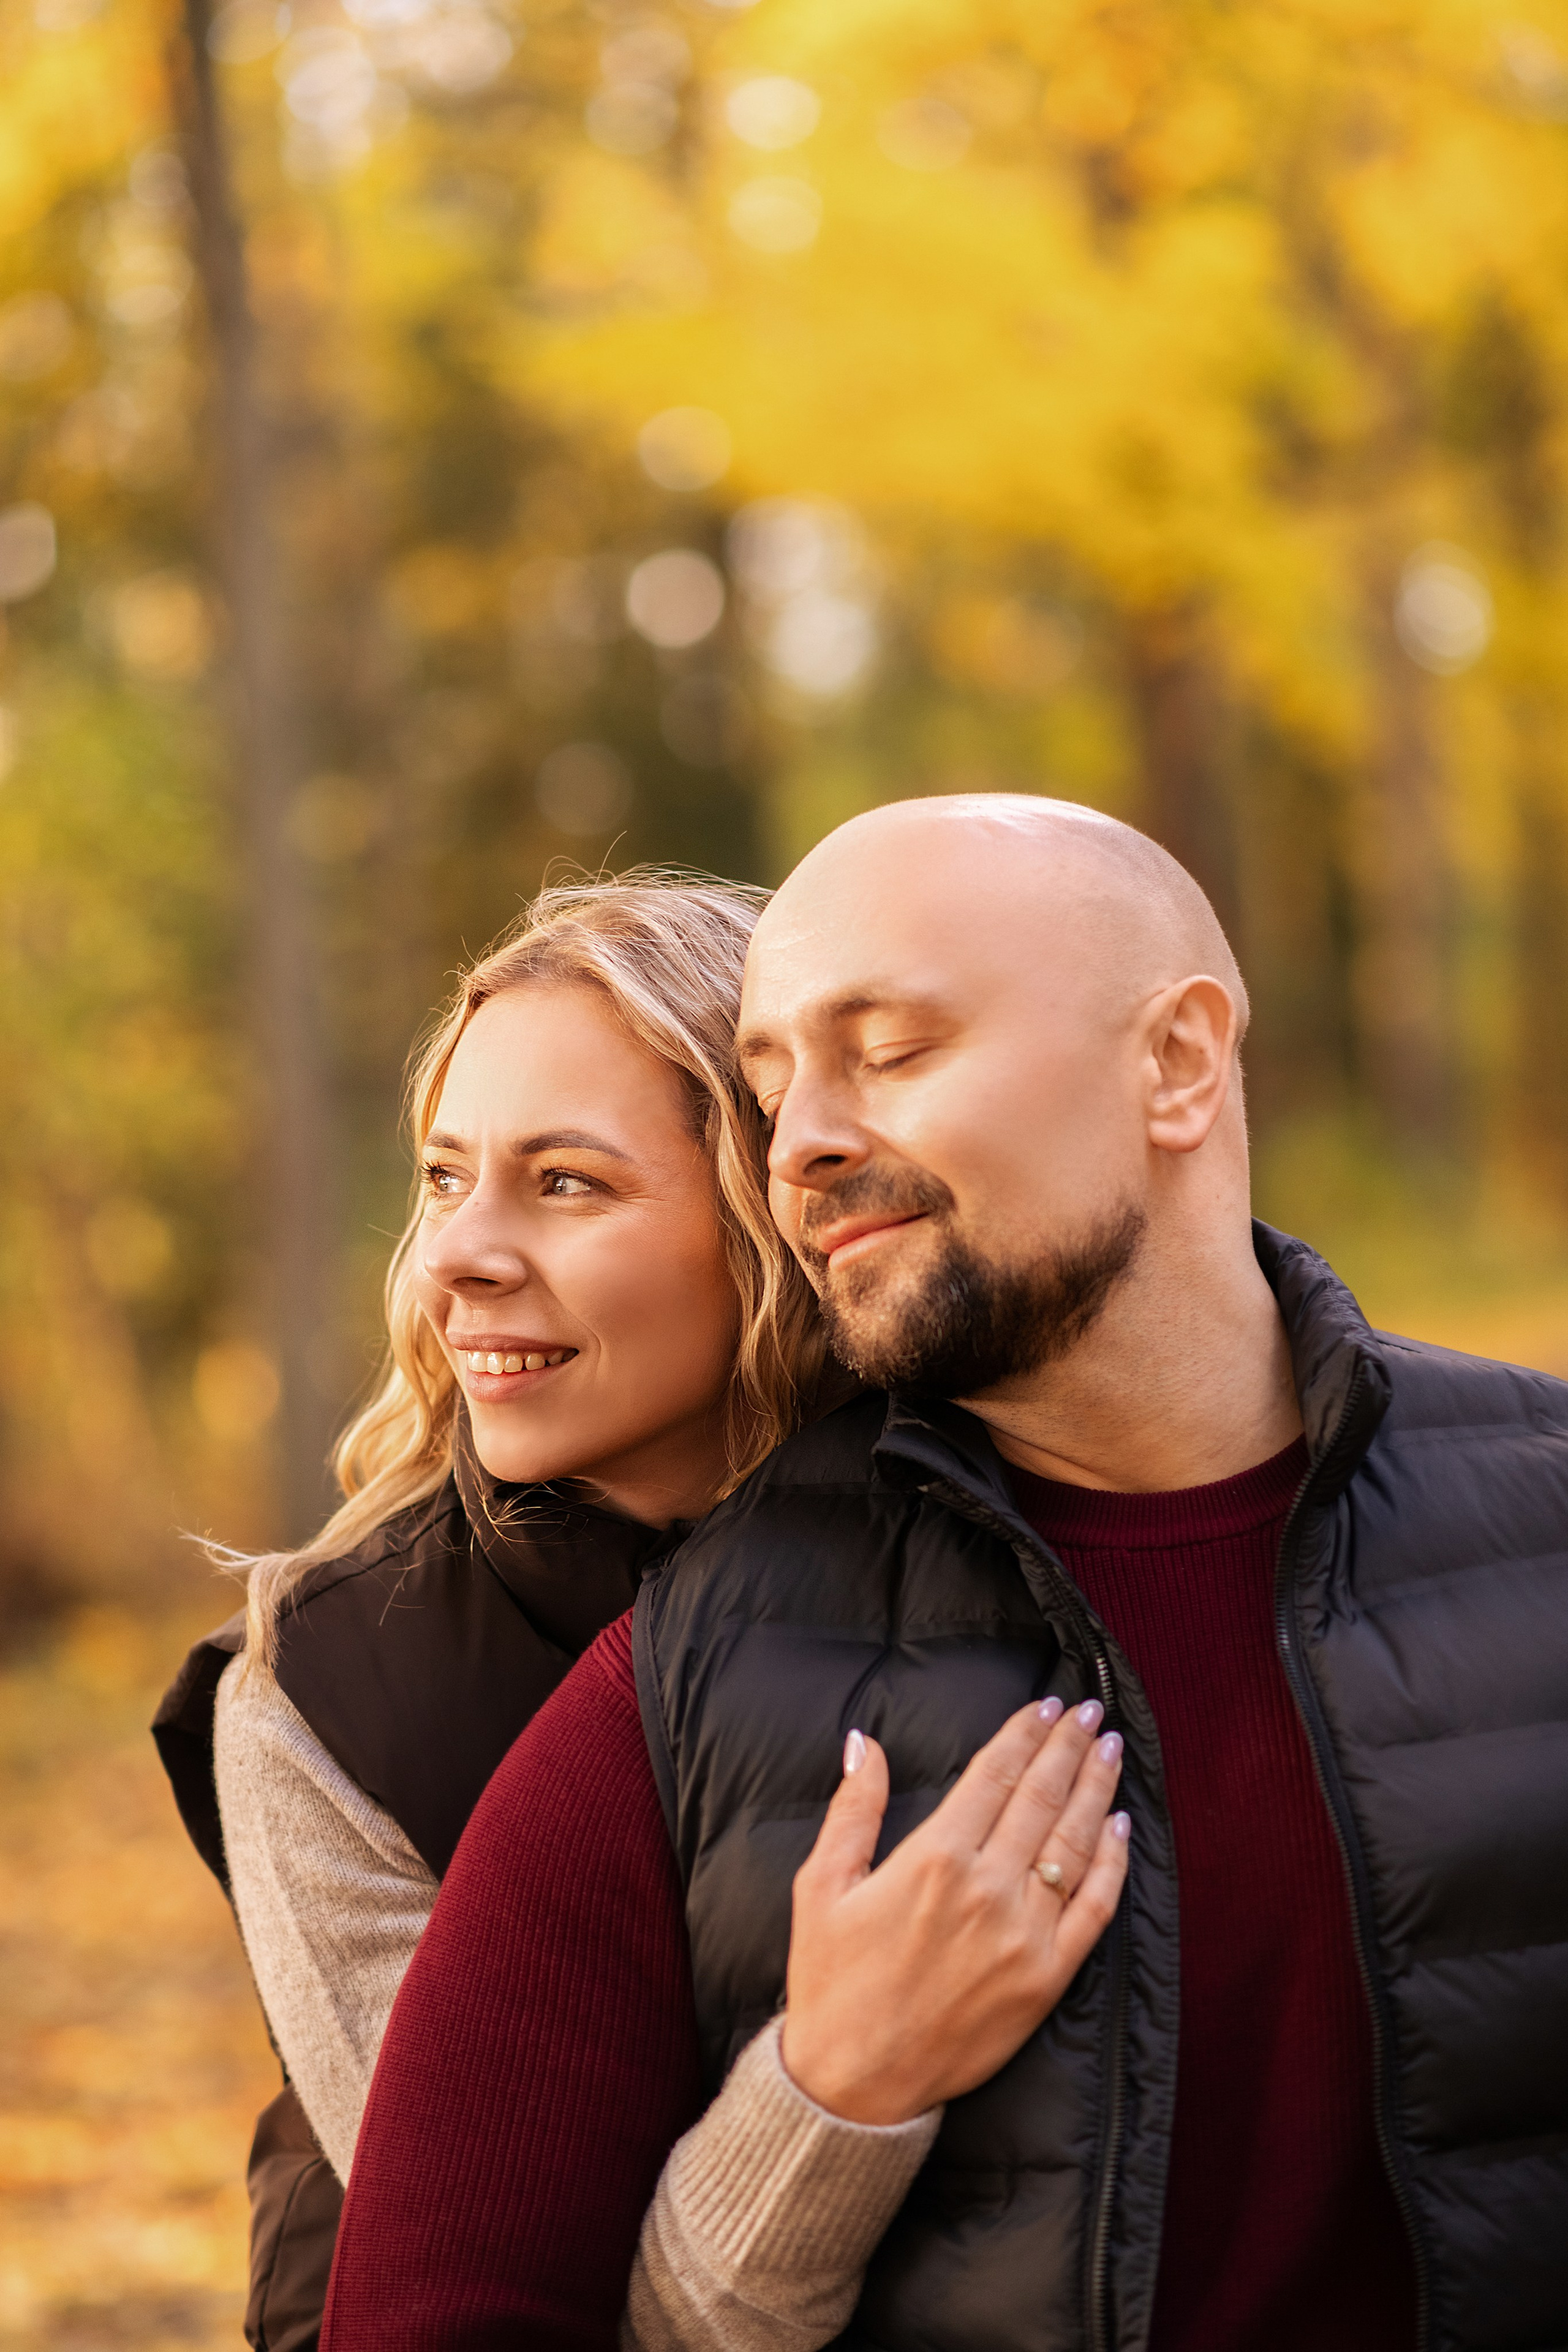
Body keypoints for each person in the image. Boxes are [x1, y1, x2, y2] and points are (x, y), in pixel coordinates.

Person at [322, 797, 1568, 2352]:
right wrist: (827, 2093)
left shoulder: (1543, 1526)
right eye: (770, 1087)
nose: (800, 1144)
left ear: (1176, 1061)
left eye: (890, 1051)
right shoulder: (689, 1672)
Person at [152, 873, 830, 2352]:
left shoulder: (976, 1559)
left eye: (566, 1182)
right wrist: (846, 2081)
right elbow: (492, 2279)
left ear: (773, 1208)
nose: (458, 1255)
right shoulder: (321, 1689)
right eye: (444, 1178)